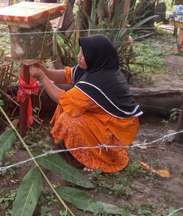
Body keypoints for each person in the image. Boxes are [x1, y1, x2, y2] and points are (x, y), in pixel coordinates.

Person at [30, 34, 142, 173]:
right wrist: (46, 72)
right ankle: (67, 144)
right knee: (68, 108)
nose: (79, 56)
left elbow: (60, 98)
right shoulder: (97, 67)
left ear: (95, 56)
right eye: (80, 51)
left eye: (83, 54)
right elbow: (67, 75)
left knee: (68, 120)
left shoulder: (97, 81)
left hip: (116, 128)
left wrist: (42, 77)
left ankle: (97, 159)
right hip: (104, 117)